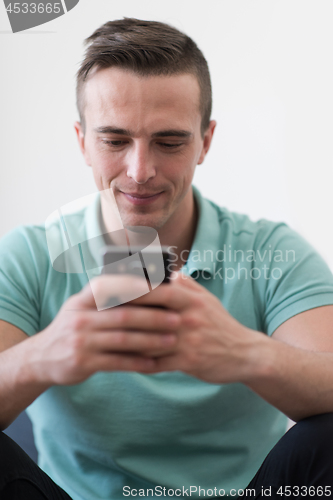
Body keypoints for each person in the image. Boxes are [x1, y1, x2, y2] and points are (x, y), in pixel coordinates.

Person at [1, 17, 333, 500]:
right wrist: (41, 357)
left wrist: (243, 352)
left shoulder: (270, 252)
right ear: (82, 142)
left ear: (206, 141)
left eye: (170, 141)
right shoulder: (31, 254)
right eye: (115, 141)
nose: (140, 171)